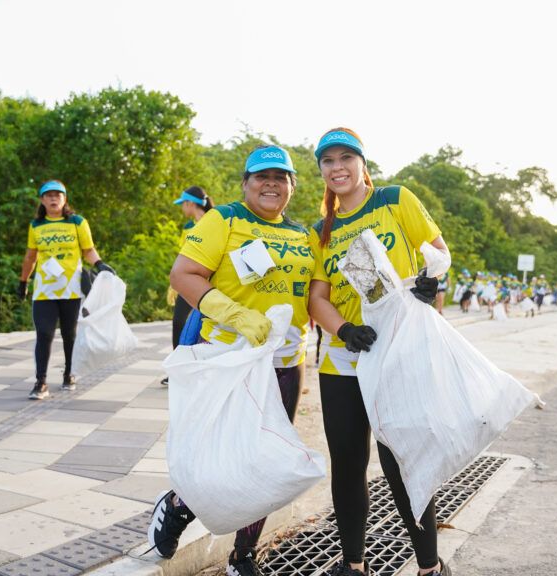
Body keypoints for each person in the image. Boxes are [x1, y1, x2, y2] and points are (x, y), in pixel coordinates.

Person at [146, 145, 313, 576]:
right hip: (227, 359)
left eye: (281, 177)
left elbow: (316, 294)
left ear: (293, 186)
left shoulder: (303, 235)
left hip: (283, 362)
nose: (271, 183)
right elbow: (183, 275)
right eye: (262, 176)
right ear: (245, 183)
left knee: (263, 461)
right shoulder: (226, 220)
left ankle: (243, 555)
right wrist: (235, 314)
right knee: (218, 454)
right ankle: (181, 505)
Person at [308, 128, 451, 576]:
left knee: (402, 461)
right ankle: (354, 565)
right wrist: (344, 328)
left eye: (345, 157)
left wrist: (432, 285)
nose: (337, 168)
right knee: (348, 465)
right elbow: (317, 298)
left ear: (362, 163)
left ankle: (429, 567)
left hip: (398, 352)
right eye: (327, 161)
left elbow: (438, 254)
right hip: (343, 359)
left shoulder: (395, 199)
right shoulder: (321, 231)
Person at [18, 180, 115, 400]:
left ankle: (69, 373)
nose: (53, 199)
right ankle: (40, 382)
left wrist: (99, 264)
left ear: (65, 199)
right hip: (44, 290)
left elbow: (88, 250)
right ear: (42, 200)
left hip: (71, 289)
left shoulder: (77, 222)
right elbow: (30, 256)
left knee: (69, 334)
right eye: (49, 195)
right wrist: (23, 281)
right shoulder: (36, 226)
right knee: (44, 334)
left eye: (58, 195)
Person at [162, 186, 216, 385]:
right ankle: (178, 371)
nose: (182, 208)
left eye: (182, 204)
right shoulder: (187, 227)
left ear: (189, 203)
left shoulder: (214, 222)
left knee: (205, 328)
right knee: (179, 324)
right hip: (187, 283)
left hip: (209, 286)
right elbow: (182, 255)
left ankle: (199, 370)